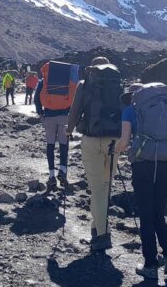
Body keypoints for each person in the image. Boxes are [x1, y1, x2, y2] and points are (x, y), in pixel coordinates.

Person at [115, 83, 167, 279]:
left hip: (144, 164)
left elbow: (125, 141)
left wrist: (114, 150)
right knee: (158, 212)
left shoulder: (130, 109)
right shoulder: (166, 106)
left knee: (146, 214)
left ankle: (150, 264)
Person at [66, 57, 123, 253]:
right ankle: (95, 227)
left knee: (97, 188)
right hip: (114, 141)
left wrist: (68, 131)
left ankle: (103, 234)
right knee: (105, 187)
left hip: (91, 140)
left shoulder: (85, 84)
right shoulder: (117, 84)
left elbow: (75, 111)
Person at [34, 61, 79, 190]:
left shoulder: (44, 81)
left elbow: (36, 98)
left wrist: (40, 113)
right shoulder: (68, 81)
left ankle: (51, 176)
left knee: (50, 145)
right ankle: (63, 171)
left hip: (49, 116)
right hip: (65, 116)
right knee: (64, 145)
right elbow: (76, 98)